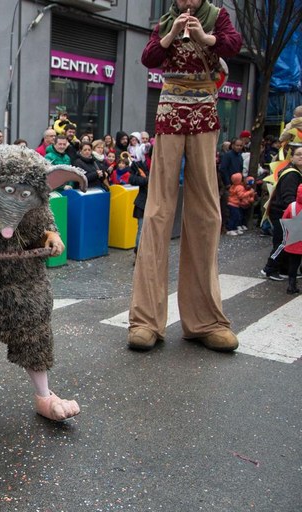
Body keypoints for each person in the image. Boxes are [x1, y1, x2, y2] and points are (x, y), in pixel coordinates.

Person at [129, 0, 242, 352]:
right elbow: (149, 58)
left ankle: (205, 320)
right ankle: (146, 320)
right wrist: (172, 34)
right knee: (158, 209)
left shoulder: (217, 16)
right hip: (170, 110)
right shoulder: (166, 20)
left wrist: (205, 37)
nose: (187, 2)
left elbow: (232, 45)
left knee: (206, 209)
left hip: (205, 109)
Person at [261, 145, 302, 281]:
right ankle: (269, 268)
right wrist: (295, 212)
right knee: (283, 242)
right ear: (292, 157)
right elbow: (288, 197)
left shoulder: (296, 172)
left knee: (289, 241)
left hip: (287, 212)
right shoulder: (292, 174)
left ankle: (285, 269)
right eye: (298, 154)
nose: (301, 157)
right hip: (283, 212)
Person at [280, 184, 302, 294]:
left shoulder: (292, 206)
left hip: (293, 241)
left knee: (293, 265)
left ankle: (291, 286)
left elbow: (284, 219)